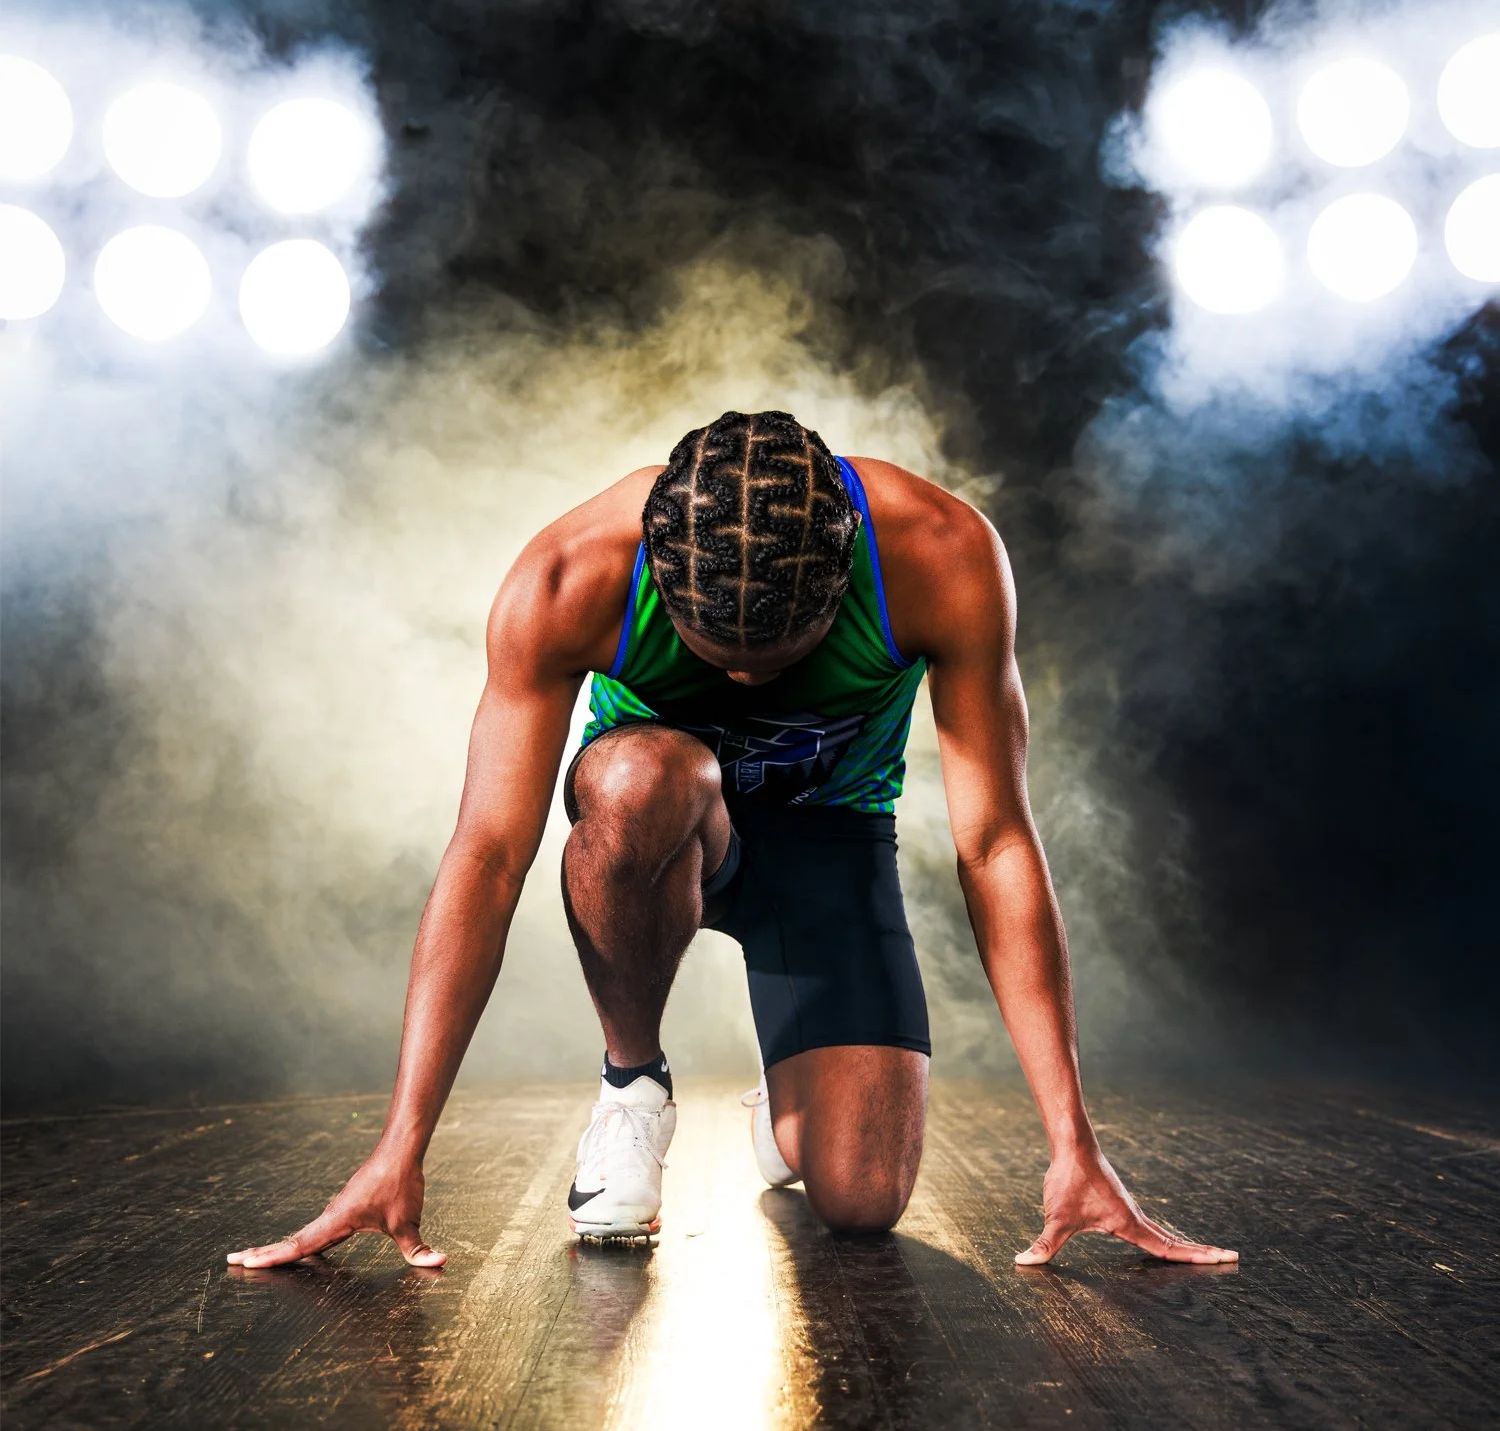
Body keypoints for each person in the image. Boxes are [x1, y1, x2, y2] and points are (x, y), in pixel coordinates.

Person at [228, 410, 1236, 1270]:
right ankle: (633, 1089)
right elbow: (489, 858)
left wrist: (1073, 1140)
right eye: (722, 663)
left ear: (841, 580)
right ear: (662, 579)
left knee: (863, 1200)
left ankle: (788, 1104)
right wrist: (400, 1143)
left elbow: (997, 846)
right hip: (656, 832)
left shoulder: (940, 553)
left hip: (830, 840)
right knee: (638, 774)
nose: (748, 686)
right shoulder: (569, 576)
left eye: (778, 662)